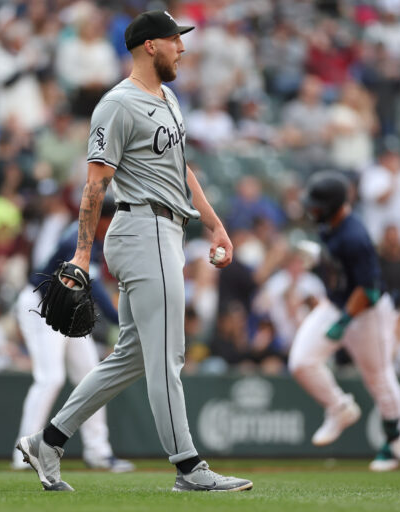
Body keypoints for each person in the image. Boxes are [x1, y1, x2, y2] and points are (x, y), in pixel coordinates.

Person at [15, 11, 252, 493]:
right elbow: (94, 184)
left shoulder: (168, 99)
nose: (181, 48)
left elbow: (182, 172)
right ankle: (189, 467)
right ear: (150, 46)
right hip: (139, 228)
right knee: (169, 357)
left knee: (133, 357)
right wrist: (82, 255)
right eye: (173, 40)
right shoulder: (116, 105)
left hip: (168, 230)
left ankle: (49, 440)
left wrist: (216, 225)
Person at [288, 171, 400, 472]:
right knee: (301, 362)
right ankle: (339, 407)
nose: (312, 209)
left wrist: (345, 321)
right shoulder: (329, 226)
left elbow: (369, 289)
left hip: (368, 311)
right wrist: (320, 257)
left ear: (333, 206)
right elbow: (340, 263)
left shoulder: (355, 235)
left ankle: (397, 439)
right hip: (338, 301)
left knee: (379, 378)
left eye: (318, 204)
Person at [13, 198, 133, 472]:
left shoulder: (98, 239)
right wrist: (119, 318)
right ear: (102, 220)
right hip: (41, 305)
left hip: (67, 309)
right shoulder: (79, 237)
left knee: (92, 377)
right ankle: (23, 453)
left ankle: (98, 452)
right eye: (113, 220)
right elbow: (94, 286)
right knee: (50, 378)